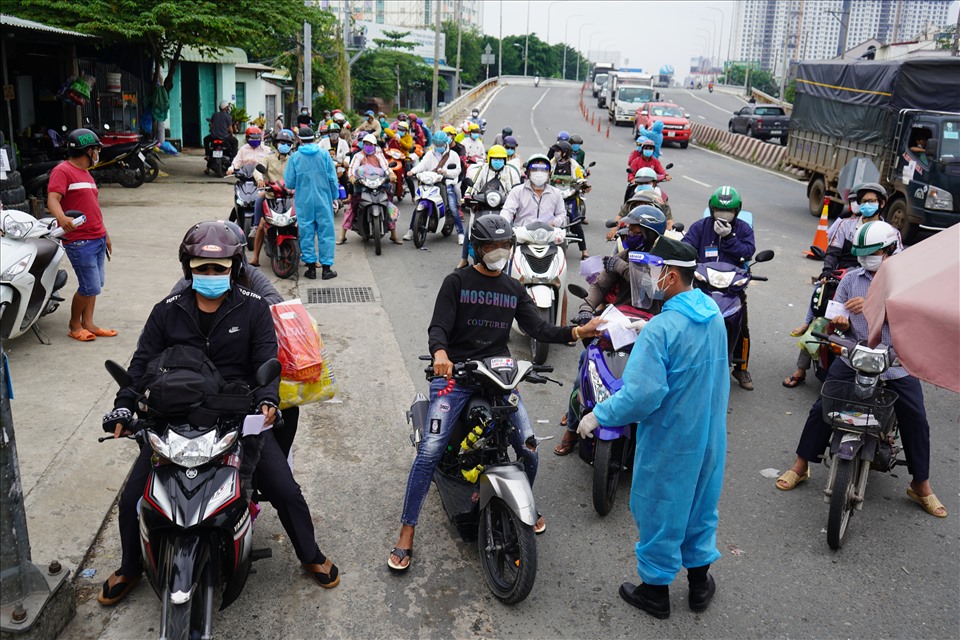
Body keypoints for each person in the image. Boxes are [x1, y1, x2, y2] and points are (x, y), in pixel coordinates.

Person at [97, 222, 339, 606]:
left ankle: (310, 555)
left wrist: (267, 401)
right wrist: (123, 406)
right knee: (132, 500)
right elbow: (140, 365)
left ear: (235, 266)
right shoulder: (166, 312)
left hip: (235, 417)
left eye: (219, 267)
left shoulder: (255, 308)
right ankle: (131, 567)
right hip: (171, 417)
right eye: (202, 267)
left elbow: (266, 362)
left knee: (285, 490)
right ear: (188, 268)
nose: (210, 274)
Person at [387, 214, 604, 571]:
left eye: (504, 246)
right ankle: (407, 531)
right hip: (455, 376)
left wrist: (580, 332)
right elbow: (438, 327)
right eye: (491, 246)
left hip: (498, 376)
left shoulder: (513, 289)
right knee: (430, 451)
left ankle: (524, 505)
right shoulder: (456, 282)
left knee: (529, 447)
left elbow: (539, 328)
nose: (498, 252)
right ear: (477, 248)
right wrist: (440, 354)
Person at [577, 236, 729, 619]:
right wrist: (648, 331)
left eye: (655, 272)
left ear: (672, 276)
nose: (649, 279)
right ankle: (698, 586)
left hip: (670, 439)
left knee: (661, 508)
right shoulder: (711, 312)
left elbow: (641, 395)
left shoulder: (662, 329)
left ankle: (655, 592)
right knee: (700, 505)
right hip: (709, 434)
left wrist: (599, 415)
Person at [775, 221, 946, 518]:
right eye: (863, 253)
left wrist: (871, 305)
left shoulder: (908, 281)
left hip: (895, 362)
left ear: (891, 250)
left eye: (874, 252)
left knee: (915, 417)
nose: (867, 259)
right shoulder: (851, 279)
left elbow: (916, 318)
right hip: (855, 357)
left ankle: (921, 484)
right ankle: (801, 465)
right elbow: (835, 316)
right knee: (823, 407)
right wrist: (839, 323)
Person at [555, 205, 667, 455]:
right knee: (585, 366)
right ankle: (572, 428)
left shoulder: (664, 260)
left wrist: (621, 268)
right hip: (617, 322)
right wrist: (586, 308)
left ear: (649, 232)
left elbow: (651, 287)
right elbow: (600, 287)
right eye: (629, 228)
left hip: (653, 327)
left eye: (635, 229)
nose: (629, 233)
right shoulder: (625, 254)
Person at [783, 183, 901, 388]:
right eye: (863, 201)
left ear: (881, 203)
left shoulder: (890, 233)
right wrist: (827, 273)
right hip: (845, 274)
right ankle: (802, 366)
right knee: (821, 307)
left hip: (880, 280)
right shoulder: (845, 225)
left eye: (871, 201)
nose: (867, 205)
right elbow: (833, 253)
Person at [682, 186, 756, 390]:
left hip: (731, 289)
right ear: (712, 209)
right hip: (703, 285)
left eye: (728, 213)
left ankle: (741, 368)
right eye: (719, 212)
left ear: (736, 212)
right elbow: (687, 246)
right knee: (686, 318)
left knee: (742, 325)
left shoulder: (743, 230)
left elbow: (747, 253)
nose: (723, 216)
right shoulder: (700, 227)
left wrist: (731, 237)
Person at [47, 128, 116, 342]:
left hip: (97, 237)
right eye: (96, 150)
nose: (98, 154)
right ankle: (74, 325)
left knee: (96, 284)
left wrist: (106, 234)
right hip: (80, 240)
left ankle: (89, 323)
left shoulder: (86, 174)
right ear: (87, 150)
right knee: (89, 286)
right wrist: (62, 218)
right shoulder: (63, 171)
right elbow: (53, 199)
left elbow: (93, 207)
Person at [284, 127, 340, 280]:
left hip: (304, 201)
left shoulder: (295, 157)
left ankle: (311, 269)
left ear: (300, 139)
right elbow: (332, 179)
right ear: (314, 139)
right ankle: (327, 269)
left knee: (307, 233)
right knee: (326, 232)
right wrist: (335, 196)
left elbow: (289, 182)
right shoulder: (324, 155)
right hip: (323, 199)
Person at [457, 144, 522, 268]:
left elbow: (514, 189)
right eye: (495, 159)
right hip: (482, 204)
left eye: (501, 159)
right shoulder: (483, 170)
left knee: (512, 230)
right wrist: (468, 196)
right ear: (489, 159)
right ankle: (464, 259)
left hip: (502, 206)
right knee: (470, 229)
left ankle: (514, 262)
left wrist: (513, 201)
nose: (498, 162)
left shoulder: (509, 172)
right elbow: (473, 185)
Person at [403, 130, 465, 244]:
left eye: (440, 145)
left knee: (452, 207)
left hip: (446, 184)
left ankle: (460, 233)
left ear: (445, 143)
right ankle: (411, 230)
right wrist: (412, 171)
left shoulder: (453, 155)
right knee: (418, 204)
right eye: (436, 145)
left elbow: (457, 170)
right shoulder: (430, 154)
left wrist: (446, 172)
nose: (438, 147)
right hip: (430, 183)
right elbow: (422, 165)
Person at [342, 133, 400, 245]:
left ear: (374, 145)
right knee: (352, 207)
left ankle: (394, 234)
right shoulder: (358, 156)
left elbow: (386, 167)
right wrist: (352, 177)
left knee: (388, 205)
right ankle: (342, 235)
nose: (368, 146)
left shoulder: (379, 155)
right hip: (362, 186)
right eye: (366, 144)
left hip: (379, 185)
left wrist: (391, 175)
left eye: (370, 144)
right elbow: (352, 168)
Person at [250, 129, 295, 266]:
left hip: (289, 197)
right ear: (276, 143)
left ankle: (308, 257)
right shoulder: (268, 158)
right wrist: (260, 180)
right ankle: (255, 257)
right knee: (262, 223)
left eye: (288, 143)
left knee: (301, 223)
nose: (285, 145)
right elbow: (258, 170)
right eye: (282, 142)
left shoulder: (293, 160)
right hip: (271, 195)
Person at [551, 140, 590, 259]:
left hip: (570, 197)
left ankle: (584, 250)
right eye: (556, 151)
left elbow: (581, 178)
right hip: (554, 197)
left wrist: (584, 185)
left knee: (576, 221)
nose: (556, 153)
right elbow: (546, 176)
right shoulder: (551, 163)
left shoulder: (574, 165)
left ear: (565, 153)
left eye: (558, 151)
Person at [204, 100, 237, 167]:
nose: (228, 108)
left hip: (213, 137)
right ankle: (234, 158)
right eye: (227, 107)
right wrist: (232, 134)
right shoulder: (228, 117)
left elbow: (211, 125)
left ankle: (207, 155)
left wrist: (211, 130)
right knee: (235, 141)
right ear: (225, 108)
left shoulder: (214, 115)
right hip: (224, 137)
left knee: (205, 139)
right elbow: (230, 129)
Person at [319, 123, 350, 190]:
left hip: (340, 169)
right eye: (332, 132)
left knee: (346, 186)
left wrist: (346, 162)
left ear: (339, 133)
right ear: (328, 133)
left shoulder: (343, 142)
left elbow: (347, 155)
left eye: (336, 132)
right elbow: (318, 152)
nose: (334, 134)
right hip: (327, 170)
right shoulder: (323, 142)